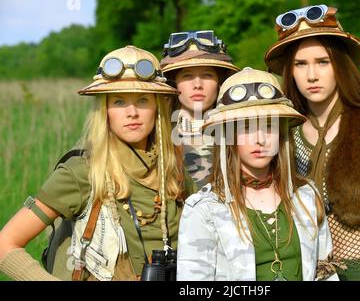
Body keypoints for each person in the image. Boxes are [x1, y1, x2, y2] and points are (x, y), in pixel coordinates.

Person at [0, 45, 195, 281]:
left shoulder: (175, 170)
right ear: (105, 111)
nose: (132, 112)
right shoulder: (82, 172)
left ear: (157, 108)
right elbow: (5, 244)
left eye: (143, 100)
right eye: (120, 102)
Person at [264, 5, 360, 280]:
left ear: (339, 64)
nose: (311, 75)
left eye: (323, 62)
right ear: (290, 71)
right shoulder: (286, 130)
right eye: (301, 64)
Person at [177, 67, 338, 281]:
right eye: (246, 127)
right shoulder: (204, 207)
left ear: (281, 132)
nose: (260, 139)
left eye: (269, 126)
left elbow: (326, 273)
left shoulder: (306, 195)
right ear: (229, 135)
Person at [160, 30, 239, 188]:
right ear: (173, 83)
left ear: (220, 82)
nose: (197, 85)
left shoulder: (238, 134)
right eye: (187, 76)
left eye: (207, 75)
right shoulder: (158, 136)